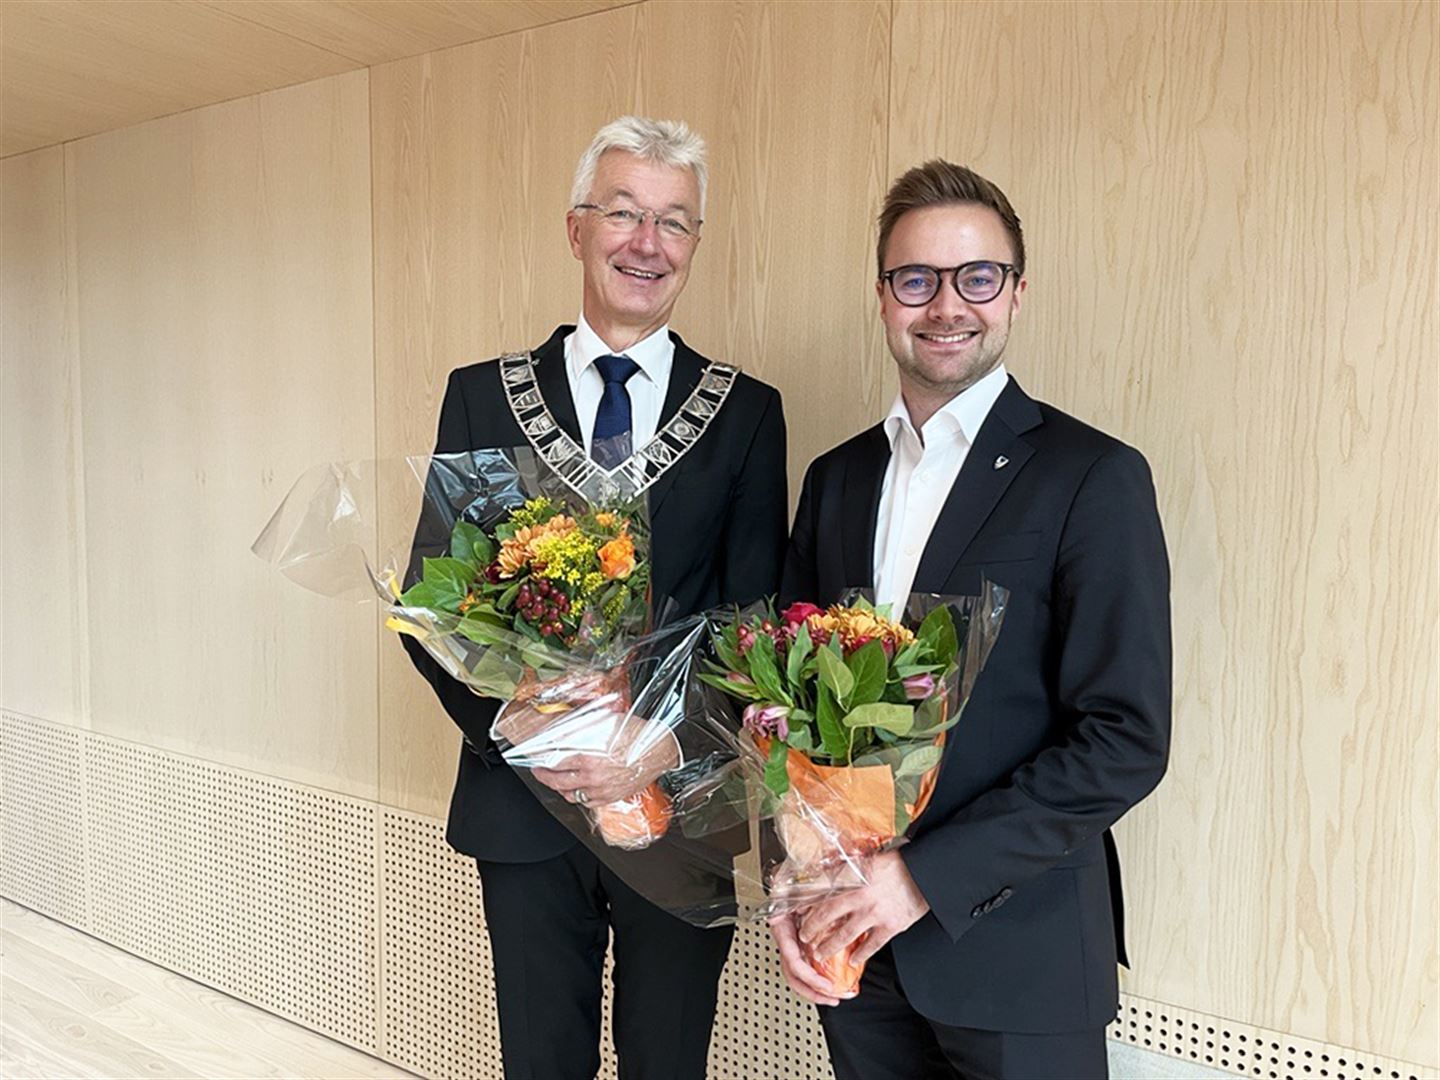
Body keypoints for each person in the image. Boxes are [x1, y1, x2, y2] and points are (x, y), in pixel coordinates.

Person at [402, 115, 788, 1080]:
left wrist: (664, 741)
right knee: (541, 1059)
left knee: (668, 1060)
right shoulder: (483, 394)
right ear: (577, 229)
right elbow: (434, 604)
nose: (646, 243)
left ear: (694, 246)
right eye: (623, 213)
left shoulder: (746, 413)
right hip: (527, 803)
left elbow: (754, 619)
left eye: (674, 222)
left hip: (681, 803)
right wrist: (533, 728)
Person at [775, 159, 1171, 1080]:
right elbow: (787, 712)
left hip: (1017, 958)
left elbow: (1125, 738)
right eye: (916, 279)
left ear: (1017, 293)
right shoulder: (834, 481)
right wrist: (791, 885)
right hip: (856, 953)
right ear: (883, 298)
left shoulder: (1094, 477)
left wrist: (923, 879)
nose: (946, 305)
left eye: (976, 277)